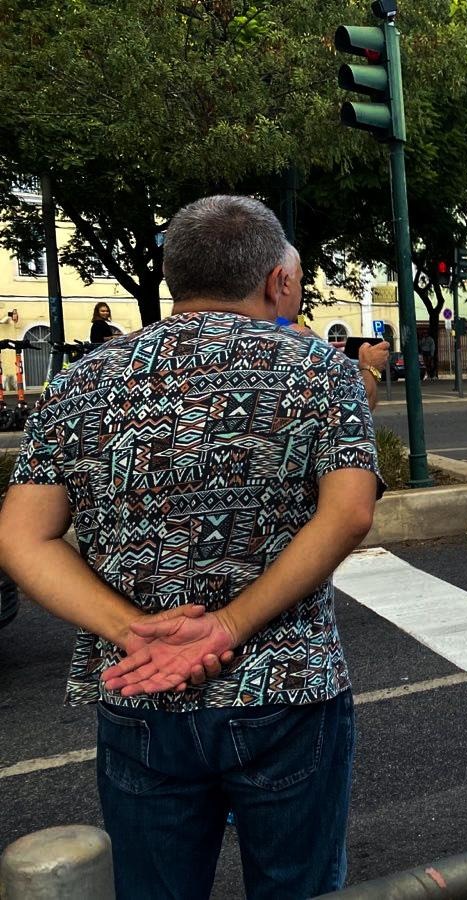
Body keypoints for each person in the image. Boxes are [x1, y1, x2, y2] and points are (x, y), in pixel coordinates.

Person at [0, 195, 380, 898]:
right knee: (298, 888)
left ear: (172, 274)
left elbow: (22, 537)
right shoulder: (322, 370)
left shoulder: (81, 381)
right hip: (288, 690)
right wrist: (229, 625)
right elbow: (350, 513)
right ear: (277, 282)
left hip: (141, 690)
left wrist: (135, 632)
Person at [271, 244, 388, 409]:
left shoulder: (238, 330)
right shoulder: (302, 338)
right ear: (284, 283)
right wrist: (370, 368)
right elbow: (357, 407)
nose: (301, 289)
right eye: (300, 280)